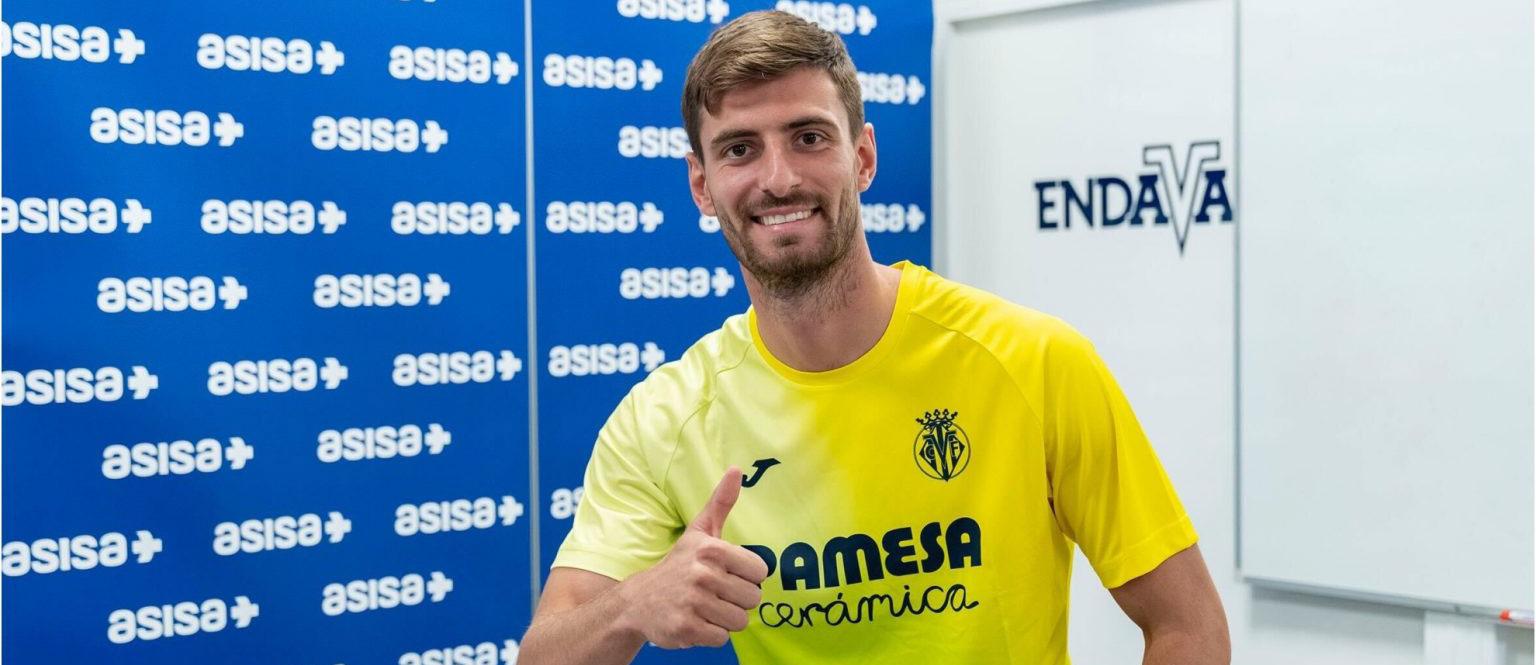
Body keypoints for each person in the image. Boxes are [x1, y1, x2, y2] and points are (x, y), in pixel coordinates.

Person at [519, 10, 1230, 664]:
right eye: (740, 149)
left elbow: (1188, 626)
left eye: (808, 138)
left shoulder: (1034, 362)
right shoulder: (664, 419)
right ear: (701, 186)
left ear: (862, 157)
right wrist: (631, 605)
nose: (778, 178)